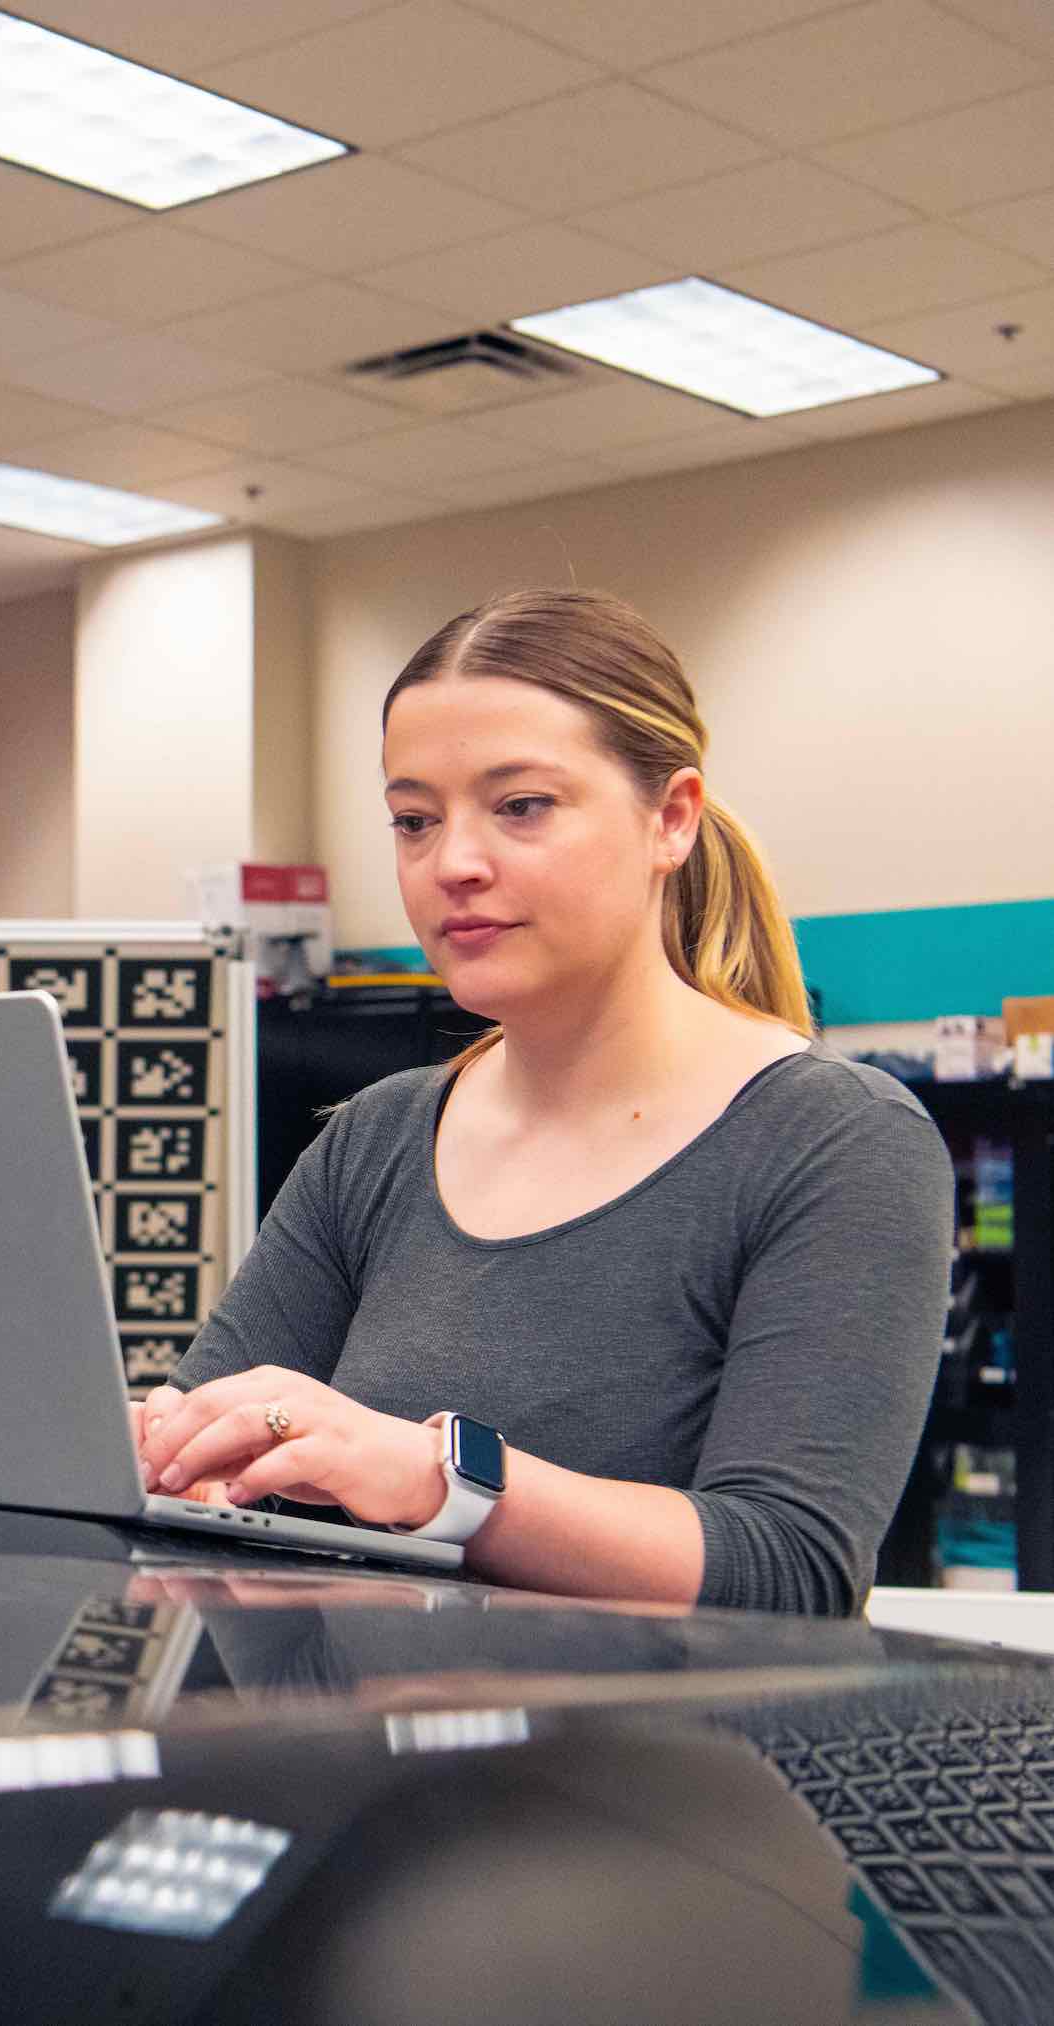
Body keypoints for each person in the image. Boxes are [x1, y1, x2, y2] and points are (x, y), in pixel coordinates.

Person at [135, 588, 952, 1616]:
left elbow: (790, 1568)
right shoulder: (376, 1140)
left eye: (521, 806)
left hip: (651, 1728)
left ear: (670, 818)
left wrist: (439, 1479)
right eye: (414, 821)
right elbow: (200, 1449)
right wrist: (159, 1455)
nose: (453, 865)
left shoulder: (834, 1142)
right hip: (359, 1721)